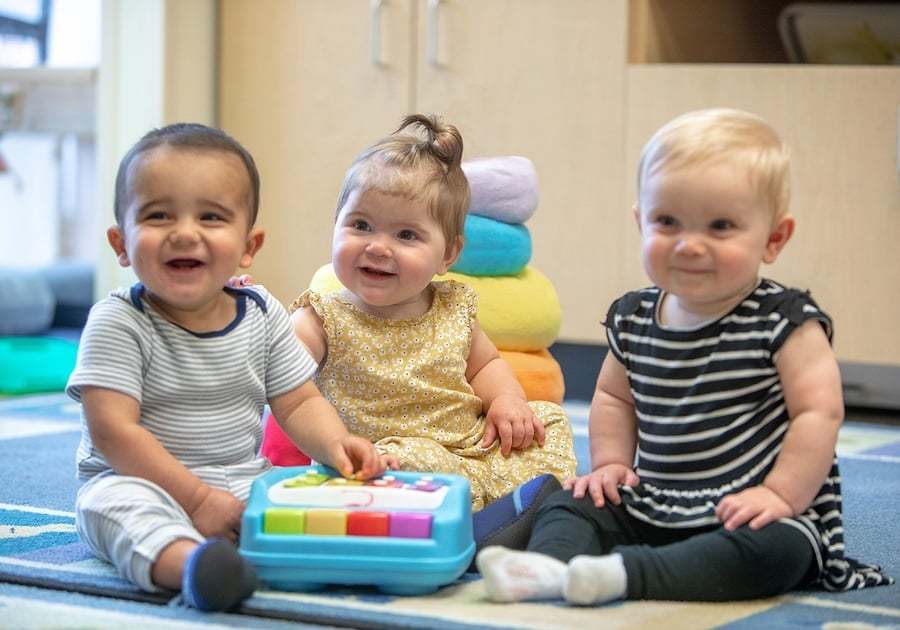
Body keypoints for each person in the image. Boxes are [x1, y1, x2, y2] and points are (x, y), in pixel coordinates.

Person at [476, 108, 893, 605]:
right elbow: (613, 396)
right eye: (667, 222)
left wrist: (780, 495)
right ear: (640, 221)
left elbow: (818, 412)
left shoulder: (785, 322)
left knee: (778, 552)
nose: (689, 245)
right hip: (657, 503)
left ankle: (623, 575)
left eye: (720, 226)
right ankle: (546, 568)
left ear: (774, 239)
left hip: (753, 510)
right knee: (573, 499)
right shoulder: (633, 317)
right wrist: (610, 464)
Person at [66, 123, 388, 612]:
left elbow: (299, 400)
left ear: (248, 246)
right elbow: (113, 432)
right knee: (117, 514)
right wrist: (195, 501)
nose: (184, 232)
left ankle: (333, 552)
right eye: (158, 215)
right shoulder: (118, 321)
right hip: (136, 480)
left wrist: (336, 444)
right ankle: (195, 568)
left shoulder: (260, 312)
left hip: (240, 477)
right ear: (121, 244)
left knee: (299, 495)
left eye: (211, 217)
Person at [261, 114, 576, 515]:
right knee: (414, 459)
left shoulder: (454, 308)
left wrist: (507, 402)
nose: (377, 247)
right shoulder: (321, 318)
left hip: (468, 446)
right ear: (334, 227)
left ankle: (506, 504)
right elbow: (283, 377)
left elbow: (486, 365)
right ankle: (491, 514)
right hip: (381, 462)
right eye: (360, 225)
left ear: (448, 254)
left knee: (547, 421)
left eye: (406, 235)